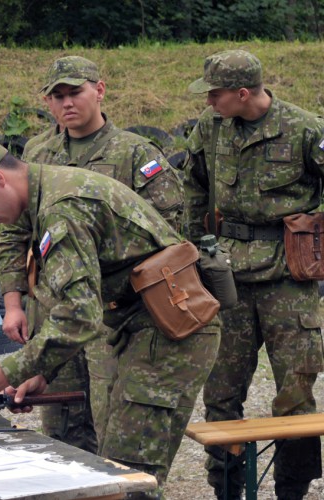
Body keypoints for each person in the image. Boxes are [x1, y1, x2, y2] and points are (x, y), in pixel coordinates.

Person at [0, 139, 218, 497]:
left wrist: (5, 371)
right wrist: (42, 372)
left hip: (169, 333)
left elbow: (80, 315)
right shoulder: (51, 193)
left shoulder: (62, 210)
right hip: (142, 326)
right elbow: (77, 303)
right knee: (118, 473)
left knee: (128, 478)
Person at [0, 55, 184, 454]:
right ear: (47, 102)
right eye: (57, 95)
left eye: (75, 92)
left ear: (99, 90)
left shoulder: (134, 153)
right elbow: (14, 232)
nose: (67, 103)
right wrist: (13, 302)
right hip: (56, 308)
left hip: (114, 311)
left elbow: (168, 234)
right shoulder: (37, 153)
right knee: (60, 424)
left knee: (110, 417)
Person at [184, 49, 324, 500]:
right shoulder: (211, 128)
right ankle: (226, 489)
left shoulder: (305, 128)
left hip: (290, 274)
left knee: (296, 392)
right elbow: (194, 185)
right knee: (221, 390)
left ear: (243, 93)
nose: (209, 102)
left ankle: (291, 493)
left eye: (216, 94)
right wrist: (191, 247)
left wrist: (317, 234)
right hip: (227, 275)